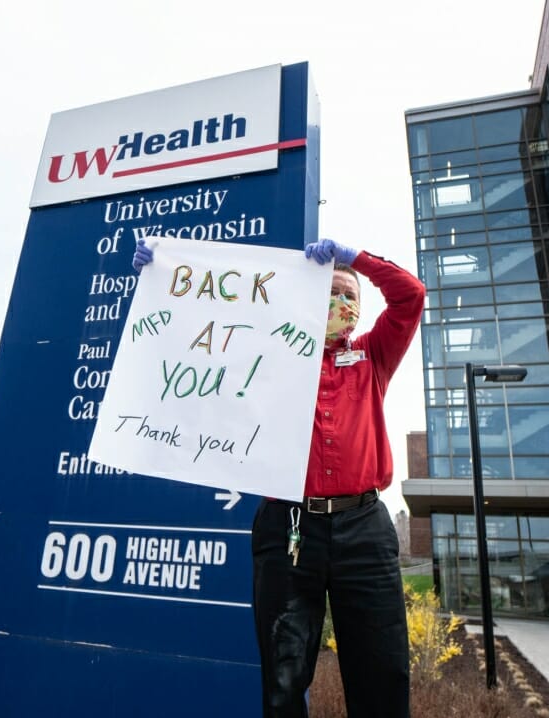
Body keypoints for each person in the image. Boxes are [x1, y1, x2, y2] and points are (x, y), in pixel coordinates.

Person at [133, 237, 425, 717]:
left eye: (349, 294)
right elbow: (195, 336)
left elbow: (410, 295)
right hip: (289, 527)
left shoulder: (374, 355)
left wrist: (356, 260)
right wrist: (159, 280)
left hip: (365, 528)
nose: (340, 301)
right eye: (330, 290)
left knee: (383, 668)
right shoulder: (269, 354)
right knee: (284, 673)